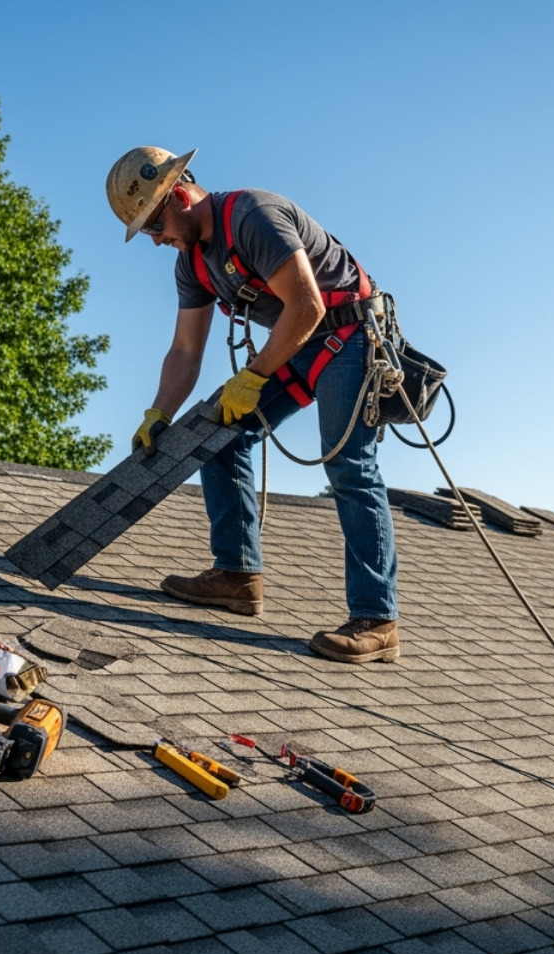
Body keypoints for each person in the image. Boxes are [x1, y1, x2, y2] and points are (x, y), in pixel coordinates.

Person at [105, 146, 401, 664]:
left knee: (348, 465)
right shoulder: (191, 264)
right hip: (299, 341)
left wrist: (256, 376)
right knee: (218, 434)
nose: (157, 240)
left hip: (350, 335)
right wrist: (159, 414)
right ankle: (237, 576)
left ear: (178, 194)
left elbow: (307, 305)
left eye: (155, 224)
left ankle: (378, 620)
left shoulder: (252, 217)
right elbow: (185, 350)